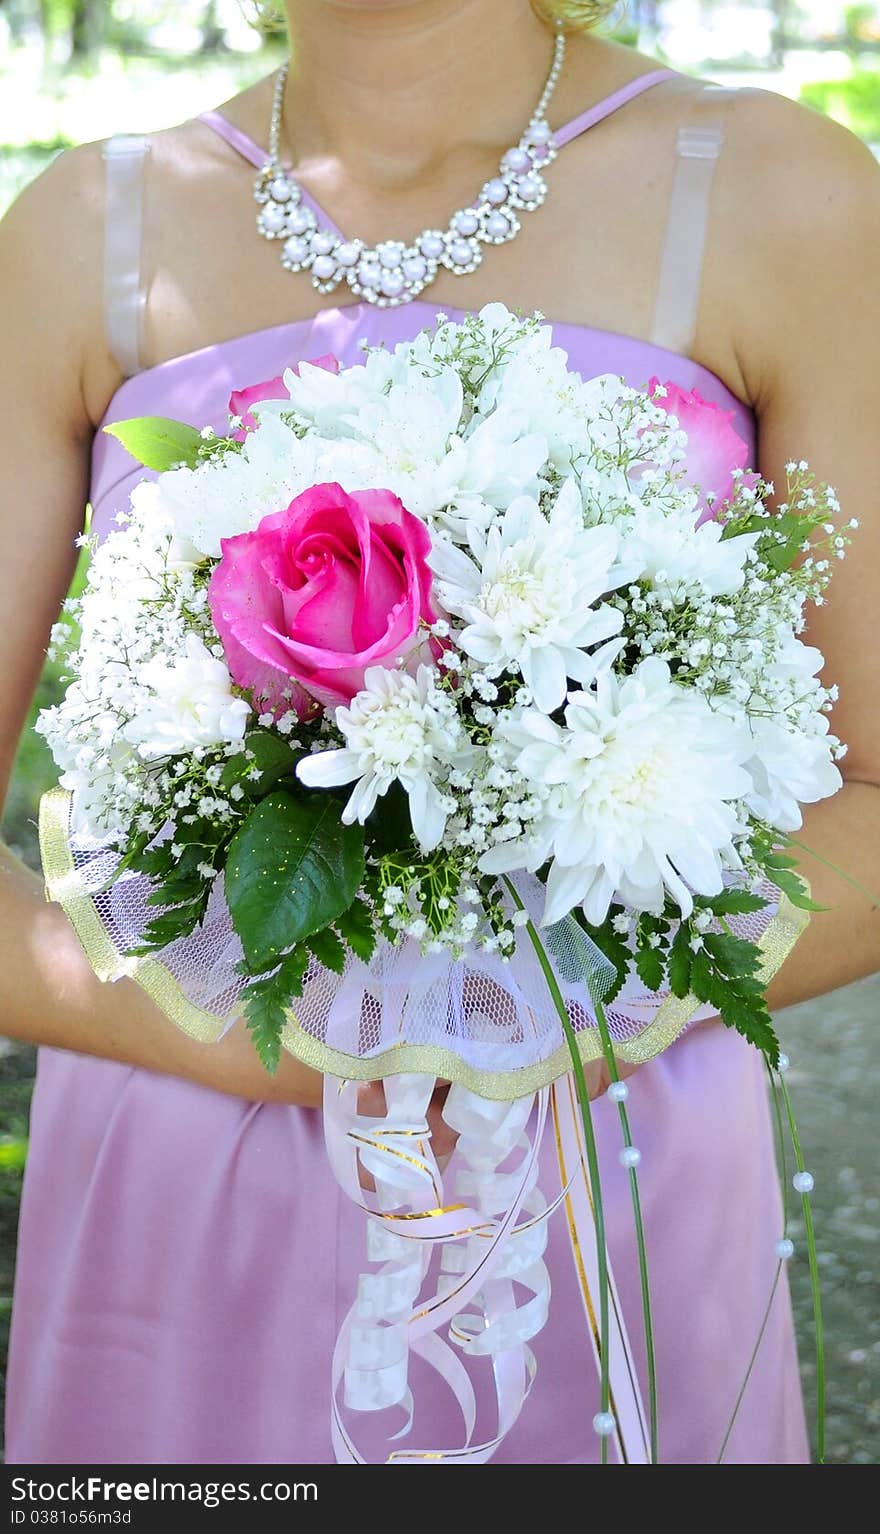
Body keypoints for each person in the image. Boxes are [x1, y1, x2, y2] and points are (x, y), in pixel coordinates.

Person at [1, 0, 878, 1466]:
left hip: (612, 1165)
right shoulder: (79, 230)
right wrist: (253, 1041)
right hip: (176, 1170)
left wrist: (566, 1015)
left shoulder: (789, 197)